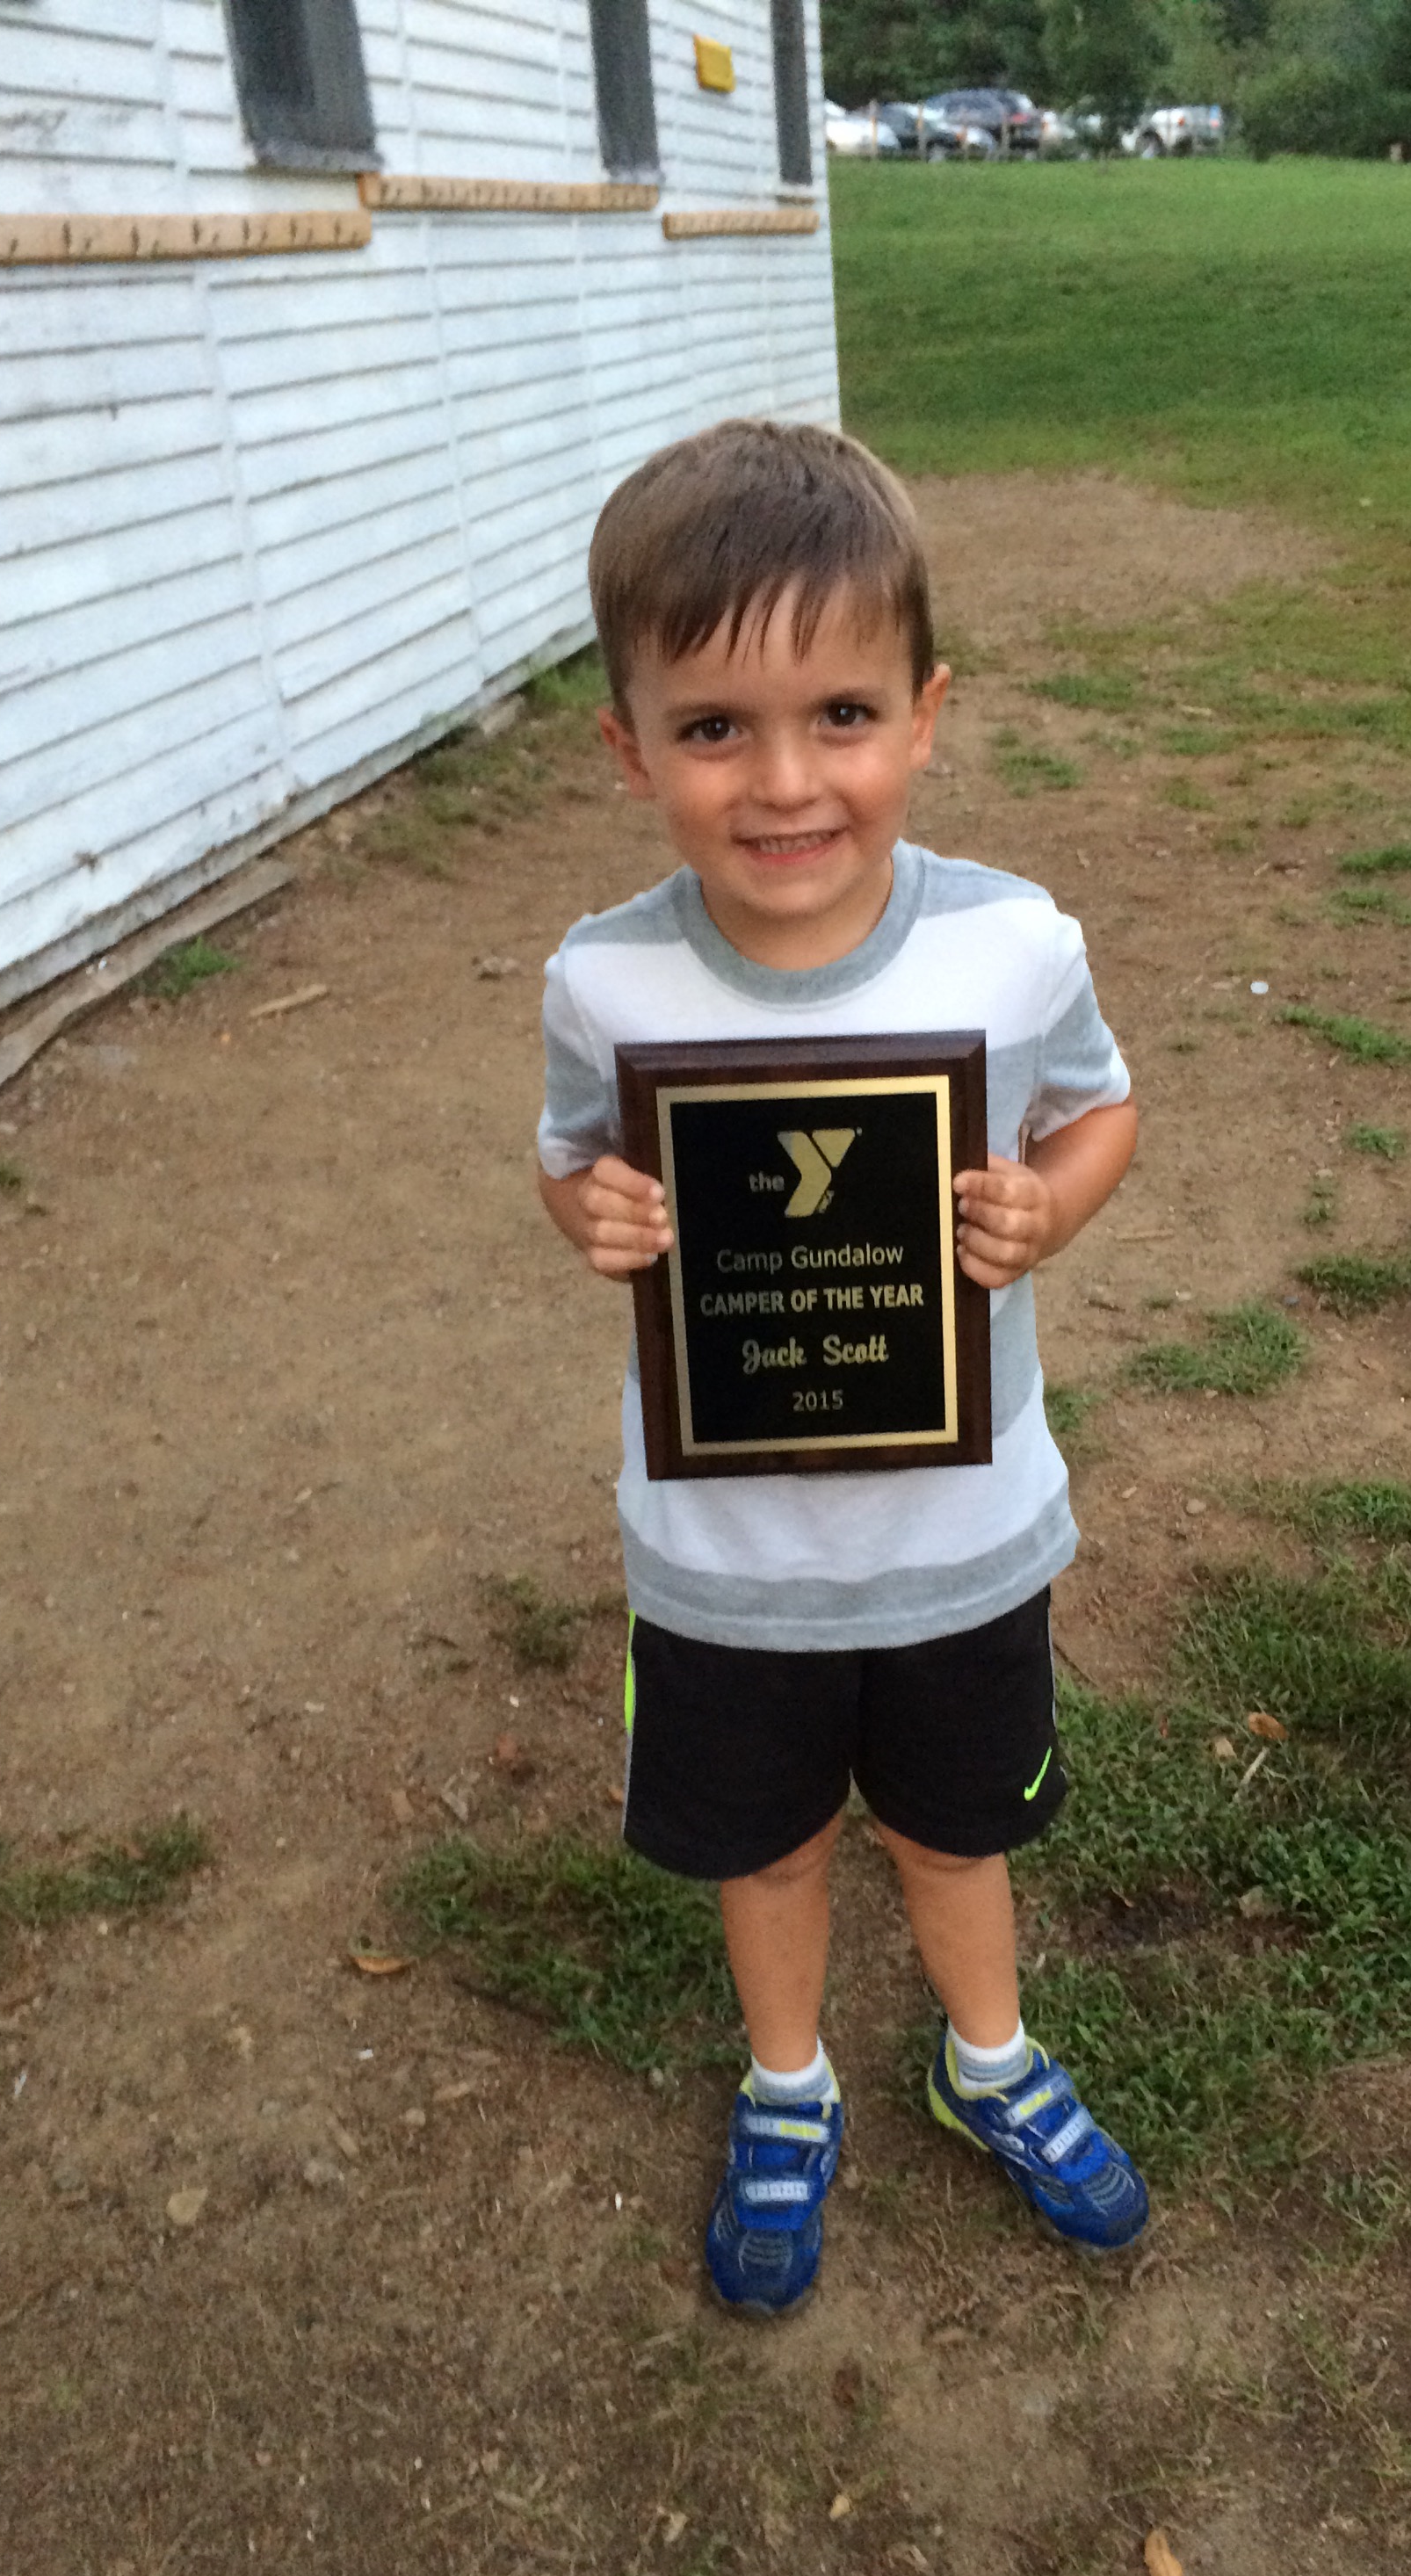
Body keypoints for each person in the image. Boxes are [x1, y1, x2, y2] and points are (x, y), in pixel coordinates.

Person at [535, 418, 1147, 2316]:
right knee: (771, 1846)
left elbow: (1102, 1110)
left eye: (844, 717)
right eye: (716, 728)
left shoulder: (1012, 947)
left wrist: (1047, 1206)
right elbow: (573, 1156)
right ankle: (787, 2085)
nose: (787, 781)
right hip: (725, 1562)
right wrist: (590, 1213)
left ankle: (988, 2059)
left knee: (955, 1833)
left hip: (960, 1536)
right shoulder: (605, 983)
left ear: (927, 716)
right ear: (629, 746)